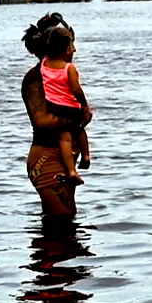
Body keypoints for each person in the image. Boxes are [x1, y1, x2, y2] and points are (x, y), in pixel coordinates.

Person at [22, 13, 90, 216]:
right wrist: (77, 118)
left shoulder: (60, 76)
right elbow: (42, 121)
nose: (74, 50)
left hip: (61, 156)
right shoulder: (35, 79)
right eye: (71, 44)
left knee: (64, 221)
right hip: (46, 157)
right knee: (62, 221)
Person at [38, 22, 93, 184]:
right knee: (80, 129)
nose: (74, 49)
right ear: (66, 49)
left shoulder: (44, 65)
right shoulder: (69, 68)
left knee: (64, 138)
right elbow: (76, 90)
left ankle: (71, 171)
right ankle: (86, 155)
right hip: (71, 108)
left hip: (55, 108)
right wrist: (84, 104)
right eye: (71, 45)